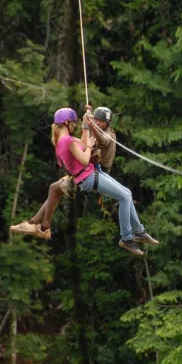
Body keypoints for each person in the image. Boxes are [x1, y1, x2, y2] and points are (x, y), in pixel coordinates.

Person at [11, 106, 157, 256]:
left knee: (127, 193)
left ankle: (139, 231)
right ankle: (127, 238)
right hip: (88, 177)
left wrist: (86, 124)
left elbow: (81, 144)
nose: (75, 125)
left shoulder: (65, 140)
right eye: (73, 122)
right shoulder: (67, 140)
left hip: (92, 173)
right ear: (67, 122)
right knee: (125, 197)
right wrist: (90, 145)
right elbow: (85, 158)